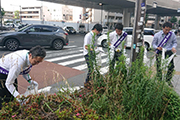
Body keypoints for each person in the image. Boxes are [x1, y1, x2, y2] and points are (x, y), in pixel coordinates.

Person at [152, 22, 177, 86]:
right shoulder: (157, 35)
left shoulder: (172, 34)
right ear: (162, 28)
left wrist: (173, 47)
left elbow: (175, 42)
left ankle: (168, 80)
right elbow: (153, 44)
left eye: (169, 30)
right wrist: (157, 47)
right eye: (166, 29)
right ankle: (159, 80)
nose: (167, 31)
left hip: (168, 51)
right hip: (160, 52)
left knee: (171, 66)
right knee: (159, 66)